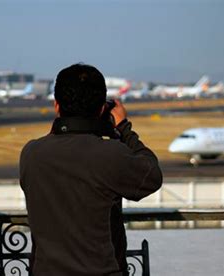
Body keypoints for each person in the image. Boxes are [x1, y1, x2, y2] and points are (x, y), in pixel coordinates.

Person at [20, 64, 162, 276]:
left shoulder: (31, 153)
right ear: (101, 109)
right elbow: (151, 176)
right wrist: (123, 127)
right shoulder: (110, 154)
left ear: (56, 105)